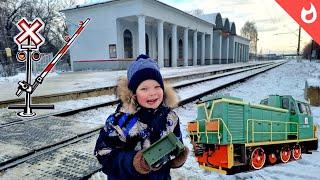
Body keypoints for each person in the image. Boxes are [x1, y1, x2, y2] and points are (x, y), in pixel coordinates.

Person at [94, 54, 189, 179]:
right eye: (144, 89)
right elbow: (104, 155)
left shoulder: (170, 118)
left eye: (157, 87)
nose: (152, 93)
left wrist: (178, 157)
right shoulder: (119, 122)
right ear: (133, 94)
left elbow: (175, 144)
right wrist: (134, 162)